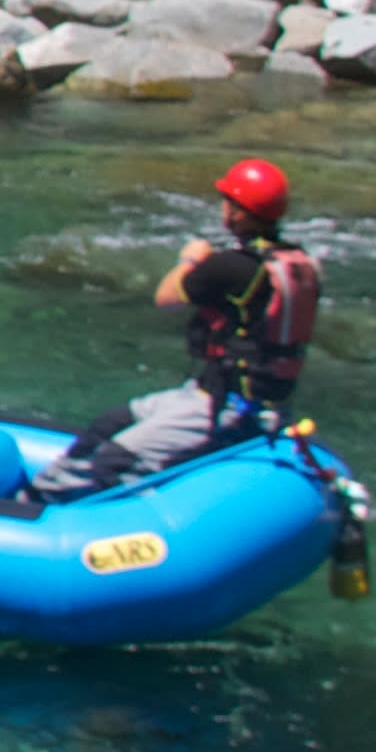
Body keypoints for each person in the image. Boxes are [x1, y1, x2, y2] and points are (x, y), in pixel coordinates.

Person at [32, 158, 322, 497]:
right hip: (221, 395)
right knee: (105, 427)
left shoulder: (232, 268)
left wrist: (191, 259)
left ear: (239, 212)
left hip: (228, 407)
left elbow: (166, 297)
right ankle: (37, 496)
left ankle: (87, 523)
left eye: (228, 202)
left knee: (114, 459)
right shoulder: (300, 264)